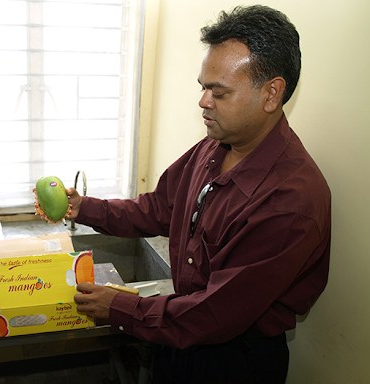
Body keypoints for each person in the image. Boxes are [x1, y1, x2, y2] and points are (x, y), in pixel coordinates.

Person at [66, 5, 331, 383]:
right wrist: (85, 208)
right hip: (179, 339)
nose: (204, 102)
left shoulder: (290, 203)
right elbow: (158, 209)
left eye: (218, 92)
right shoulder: (215, 146)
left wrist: (122, 307)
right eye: (203, 87)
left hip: (233, 361)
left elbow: (214, 314)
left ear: (272, 93)